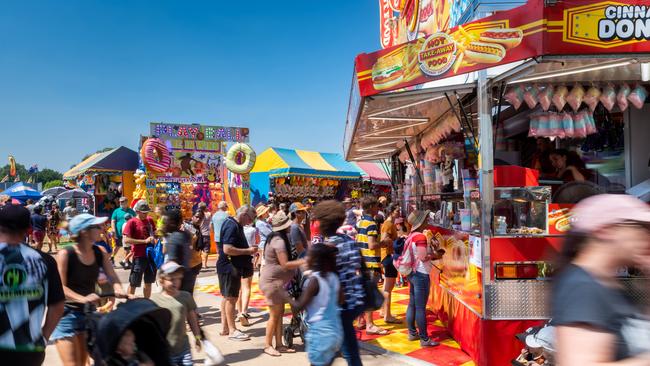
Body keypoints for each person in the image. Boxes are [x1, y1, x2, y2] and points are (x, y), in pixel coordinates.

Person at [553, 194, 650, 364]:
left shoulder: (608, 285)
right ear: (605, 231)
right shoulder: (583, 288)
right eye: (639, 226)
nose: (645, 236)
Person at [52, 213, 128, 365]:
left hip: (88, 313)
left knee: (87, 361)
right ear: (84, 231)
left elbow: (112, 276)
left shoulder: (100, 252)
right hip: (66, 315)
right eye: (97, 226)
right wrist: (83, 298)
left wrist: (119, 289)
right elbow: (61, 286)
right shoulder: (66, 254)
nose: (102, 229)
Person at [0, 204, 65, 365]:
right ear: (29, 230)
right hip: (30, 351)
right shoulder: (45, 261)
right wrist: (43, 337)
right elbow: (57, 304)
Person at [312, 200, 365, 366]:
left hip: (340, 304)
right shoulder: (349, 240)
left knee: (337, 349)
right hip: (356, 300)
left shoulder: (327, 246)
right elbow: (360, 266)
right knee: (343, 344)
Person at [259, 211, 305, 356]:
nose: (290, 227)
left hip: (277, 283)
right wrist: (305, 261)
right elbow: (285, 264)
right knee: (274, 315)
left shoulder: (276, 238)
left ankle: (279, 344)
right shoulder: (279, 241)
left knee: (278, 314)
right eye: (288, 225)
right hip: (272, 283)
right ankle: (267, 345)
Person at [288, 244, 343, 366]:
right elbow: (341, 300)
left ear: (315, 260)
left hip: (320, 333)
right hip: (335, 331)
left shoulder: (315, 281)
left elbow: (298, 307)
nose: (306, 259)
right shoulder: (334, 277)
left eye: (309, 256)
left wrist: (284, 295)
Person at [217, 205, 258, 341]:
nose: (250, 222)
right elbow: (227, 249)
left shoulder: (234, 224)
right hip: (230, 267)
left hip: (229, 266)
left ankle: (225, 328)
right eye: (251, 219)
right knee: (231, 298)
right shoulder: (232, 225)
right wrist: (248, 251)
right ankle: (232, 330)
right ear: (244, 214)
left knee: (227, 297)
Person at [151, 261, 203, 366]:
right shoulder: (154, 300)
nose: (176, 282)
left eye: (179, 278)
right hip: (166, 350)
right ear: (161, 280)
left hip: (183, 347)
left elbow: (192, 319)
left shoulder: (186, 296)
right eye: (171, 279)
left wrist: (197, 337)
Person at [405, 210, 443, 347]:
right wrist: (435, 255)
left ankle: (412, 333)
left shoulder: (412, 235)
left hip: (412, 273)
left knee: (412, 304)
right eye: (426, 218)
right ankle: (424, 339)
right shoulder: (420, 237)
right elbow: (422, 257)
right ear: (421, 221)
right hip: (420, 274)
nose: (428, 221)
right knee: (420, 307)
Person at [355, 196, 387, 335]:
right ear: (371, 207)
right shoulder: (371, 224)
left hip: (362, 261)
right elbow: (372, 245)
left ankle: (361, 321)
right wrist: (384, 243)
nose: (378, 208)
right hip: (370, 262)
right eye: (376, 206)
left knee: (363, 292)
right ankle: (370, 324)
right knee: (369, 293)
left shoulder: (361, 222)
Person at [123, 200, 157, 298]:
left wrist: (155, 239)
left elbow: (154, 234)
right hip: (139, 256)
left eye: (147, 212)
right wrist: (144, 241)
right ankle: (129, 305)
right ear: (137, 211)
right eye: (144, 212)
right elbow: (126, 240)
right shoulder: (132, 222)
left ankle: (146, 303)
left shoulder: (150, 220)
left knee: (149, 282)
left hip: (151, 256)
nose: (146, 214)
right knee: (134, 282)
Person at [380, 203, 401, 324]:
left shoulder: (390, 224)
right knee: (389, 287)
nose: (399, 213)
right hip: (389, 256)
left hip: (387, 256)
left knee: (387, 286)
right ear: (392, 211)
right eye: (397, 211)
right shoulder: (388, 224)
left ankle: (384, 311)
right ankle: (387, 315)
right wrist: (396, 242)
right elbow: (384, 240)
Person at [238, 219, 258, 326]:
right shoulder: (253, 230)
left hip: (237, 259)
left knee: (239, 289)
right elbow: (256, 244)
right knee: (246, 288)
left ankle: (238, 311)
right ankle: (244, 312)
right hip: (248, 258)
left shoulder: (237, 229)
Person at [180, 210, 205, 295]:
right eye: (197, 217)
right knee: (184, 289)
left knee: (189, 289)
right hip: (187, 264)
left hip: (195, 263)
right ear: (192, 216)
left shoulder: (197, 228)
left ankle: (189, 306)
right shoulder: (186, 227)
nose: (198, 219)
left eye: (201, 218)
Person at [111, 197, 136, 269]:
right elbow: (113, 221)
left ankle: (126, 262)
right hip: (119, 232)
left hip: (129, 233)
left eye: (123, 201)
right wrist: (113, 231)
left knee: (127, 248)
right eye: (120, 202)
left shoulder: (131, 211)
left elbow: (135, 220)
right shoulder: (116, 211)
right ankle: (112, 258)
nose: (121, 203)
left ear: (127, 202)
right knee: (117, 246)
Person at [209, 201, 229, 268]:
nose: (227, 208)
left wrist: (215, 232)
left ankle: (217, 266)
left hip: (217, 237)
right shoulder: (226, 216)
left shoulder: (214, 215)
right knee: (225, 252)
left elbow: (211, 226)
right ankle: (223, 266)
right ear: (224, 207)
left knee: (218, 252)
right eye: (226, 206)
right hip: (225, 237)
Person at [197, 202, 212, 268]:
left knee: (199, 249)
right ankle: (204, 264)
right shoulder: (208, 214)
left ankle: (199, 263)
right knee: (206, 249)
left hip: (199, 233)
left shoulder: (197, 215)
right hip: (206, 234)